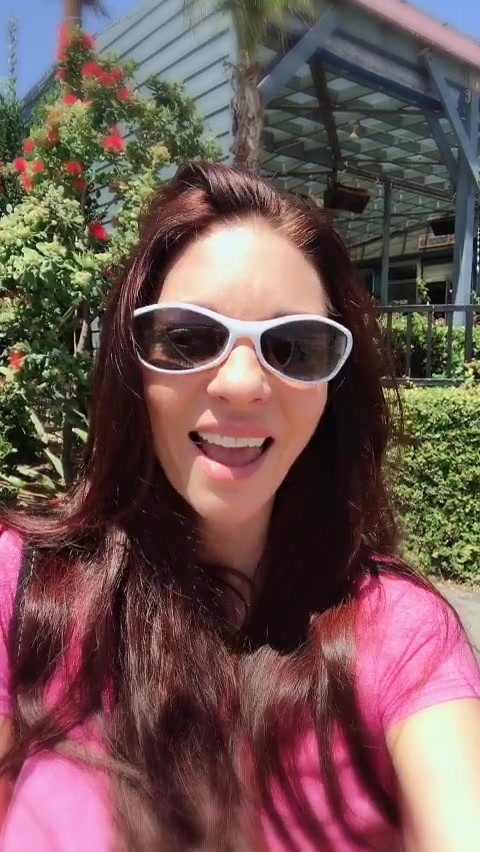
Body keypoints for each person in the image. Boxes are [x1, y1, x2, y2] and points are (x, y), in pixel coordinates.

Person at [0, 161, 479, 852]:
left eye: (295, 348)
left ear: (332, 390)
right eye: (189, 338)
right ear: (133, 364)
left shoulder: (399, 635)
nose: (242, 384)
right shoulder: (24, 591)